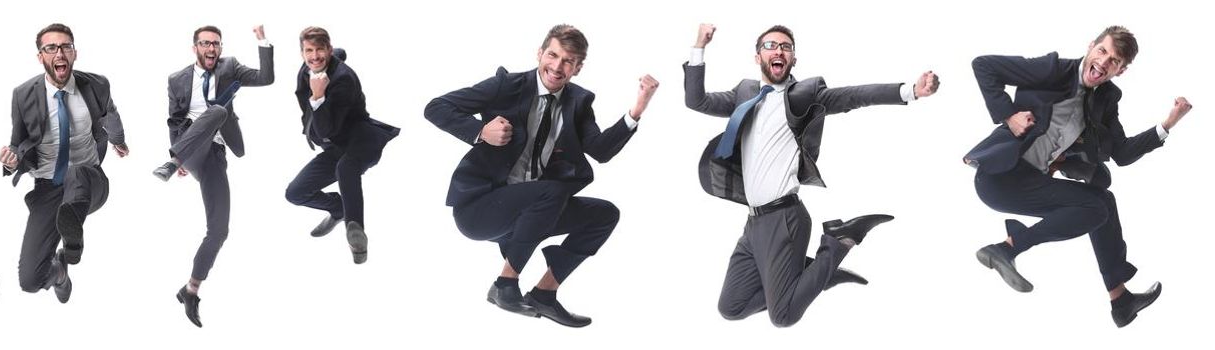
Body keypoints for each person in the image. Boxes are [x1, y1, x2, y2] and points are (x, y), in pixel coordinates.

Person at [686, 24, 938, 327]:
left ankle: (839, 241)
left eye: (786, 47)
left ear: (793, 59)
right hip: (754, 223)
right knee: (732, 307)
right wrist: (699, 46)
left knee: (783, 316)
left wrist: (910, 91)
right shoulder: (744, 93)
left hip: (784, 218)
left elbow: (854, 96)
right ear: (758, 57)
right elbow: (696, 100)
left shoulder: (805, 95)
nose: (779, 50)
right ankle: (817, 275)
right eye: (771, 45)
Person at [424, 24, 658, 328]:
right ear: (540, 53)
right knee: (552, 191)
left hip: (530, 213)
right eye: (553, 55)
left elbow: (599, 151)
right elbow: (436, 107)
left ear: (578, 67)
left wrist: (637, 109)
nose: (557, 67)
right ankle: (505, 285)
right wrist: (480, 131)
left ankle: (544, 294)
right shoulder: (505, 86)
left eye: (568, 61)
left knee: (604, 214)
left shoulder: (579, 102)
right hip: (480, 209)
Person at [963, 25, 1190, 327]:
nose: (1104, 63)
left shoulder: (1106, 98)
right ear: (1091, 46)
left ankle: (1120, 300)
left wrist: (1167, 124)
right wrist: (1009, 115)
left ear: (1120, 71)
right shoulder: (1053, 70)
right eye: (1103, 51)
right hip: (999, 176)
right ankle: (1007, 248)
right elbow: (984, 66)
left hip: (1030, 181)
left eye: (1115, 62)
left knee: (1103, 201)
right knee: (1095, 207)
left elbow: (1121, 153)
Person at [150, 24, 274, 328]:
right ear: (195, 48)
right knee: (218, 111)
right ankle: (171, 161)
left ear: (220, 48)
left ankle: (191, 290)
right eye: (205, 43)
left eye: (216, 44)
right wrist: (177, 154)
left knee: (219, 229)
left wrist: (262, 40)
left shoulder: (229, 67)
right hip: (188, 150)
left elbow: (266, 78)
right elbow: (174, 120)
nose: (211, 48)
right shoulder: (177, 79)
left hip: (215, 153)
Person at [0, 23, 130, 306]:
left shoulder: (96, 85)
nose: (60, 52)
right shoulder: (23, 95)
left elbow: (111, 114)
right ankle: (60, 271)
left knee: (76, 172)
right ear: (40, 57)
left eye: (66, 47)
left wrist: (119, 141)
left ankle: (72, 244)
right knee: (29, 281)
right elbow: (17, 142)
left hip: (89, 180)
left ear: (74, 53)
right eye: (51, 48)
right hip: (47, 187)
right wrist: (11, 161)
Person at [286, 26, 399, 265]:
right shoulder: (306, 69)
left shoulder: (344, 79)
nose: (314, 56)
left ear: (328, 49)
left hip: (361, 140)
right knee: (294, 193)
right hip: (335, 145)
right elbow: (337, 54)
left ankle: (355, 232)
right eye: (309, 50)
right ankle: (338, 208)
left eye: (320, 50)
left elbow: (327, 128)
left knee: (345, 169)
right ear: (302, 52)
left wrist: (317, 97)